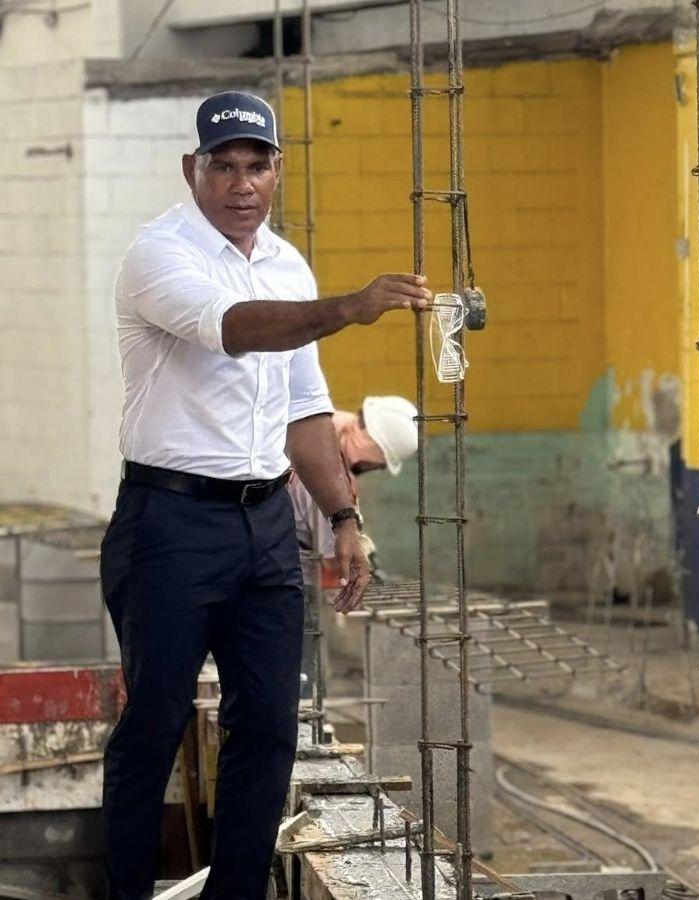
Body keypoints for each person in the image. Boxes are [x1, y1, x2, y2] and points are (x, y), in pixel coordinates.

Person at [100, 90, 430, 899]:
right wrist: (352, 309)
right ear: (194, 169)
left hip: (264, 525)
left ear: (277, 171)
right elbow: (238, 327)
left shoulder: (286, 262)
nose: (241, 184)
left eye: (257, 166)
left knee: (271, 726)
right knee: (155, 723)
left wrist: (344, 517)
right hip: (169, 521)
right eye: (224, 166)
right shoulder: (160, 255)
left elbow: (302, 409)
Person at [287, 395, 418, 570]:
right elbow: (335, 561)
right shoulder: (327, 475)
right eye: (379, 464)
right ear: (371, 450)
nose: (376, 468)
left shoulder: (323, 426)